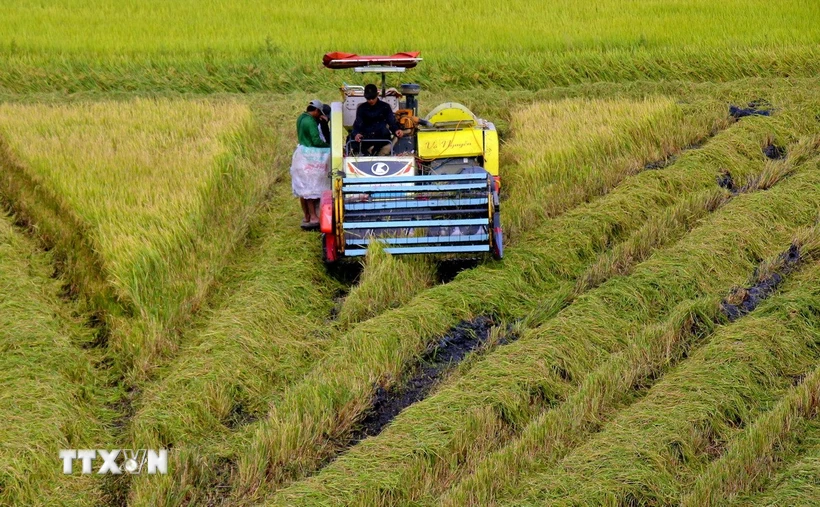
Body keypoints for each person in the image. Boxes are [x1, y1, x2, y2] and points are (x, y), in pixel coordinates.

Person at [291, 99, 330, 229]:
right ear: (317, 110)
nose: (320, 116)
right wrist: (329, 147)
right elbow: (316, 140)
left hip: (301, 154)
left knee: (304, 189)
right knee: (312, 189)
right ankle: (314, 217)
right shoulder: (311, 121)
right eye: (320, 113)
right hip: (310, 157)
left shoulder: (301, 118)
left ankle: (307, 216)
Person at [351, 83, 404, 156]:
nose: (371, 100)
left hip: (381, 137)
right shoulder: (361, 108)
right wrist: (356, 134)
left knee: (384, 132)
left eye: (373, 98)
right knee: (351, 139)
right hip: (366, 138)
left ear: (377, 95)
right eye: (368, 99)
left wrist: (396, 130)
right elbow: (357, 124)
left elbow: (392, 122)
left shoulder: (385, 107)